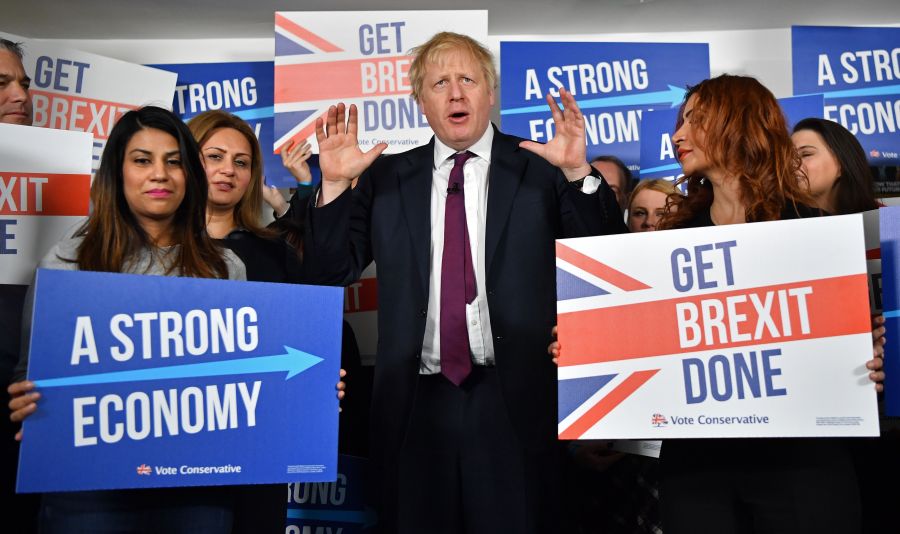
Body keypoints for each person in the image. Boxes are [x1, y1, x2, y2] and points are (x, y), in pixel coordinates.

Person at [304, 31, 626, 533]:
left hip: (516, 402)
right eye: (440, 83)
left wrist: (578, 173)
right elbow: (329, 272)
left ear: (490, 93)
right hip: (412, 407)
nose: (455, 93)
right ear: (421, 101)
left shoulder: (542, 167)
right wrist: (333, 185)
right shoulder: (386, 177)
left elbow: (606, 264)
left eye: (468, 80)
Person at [656, 74, 885, 534]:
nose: (678, 135)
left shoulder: (819, 231)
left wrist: (875, 355)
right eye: (681, 122)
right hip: (698, 467)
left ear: (740, 124)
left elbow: (860, 335)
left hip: (802, 461)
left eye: (695, 119)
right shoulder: (667, 245)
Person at [7, 106, 249, 532]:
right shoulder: (68, 261)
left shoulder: (225, 268)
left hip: (196, 486)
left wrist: (308, 388)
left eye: (173, 161)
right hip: (87, 487)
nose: (160, 174)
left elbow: (244, 379)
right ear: (117, 174)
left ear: (189, 175)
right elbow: (31, 373)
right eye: (142, 160)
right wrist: (26, 401)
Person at [791, 117, 879, 215]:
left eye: (806, 154)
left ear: (842, 163)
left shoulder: (886, 218)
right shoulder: (778, 219)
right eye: (787, 157)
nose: (792, 164)